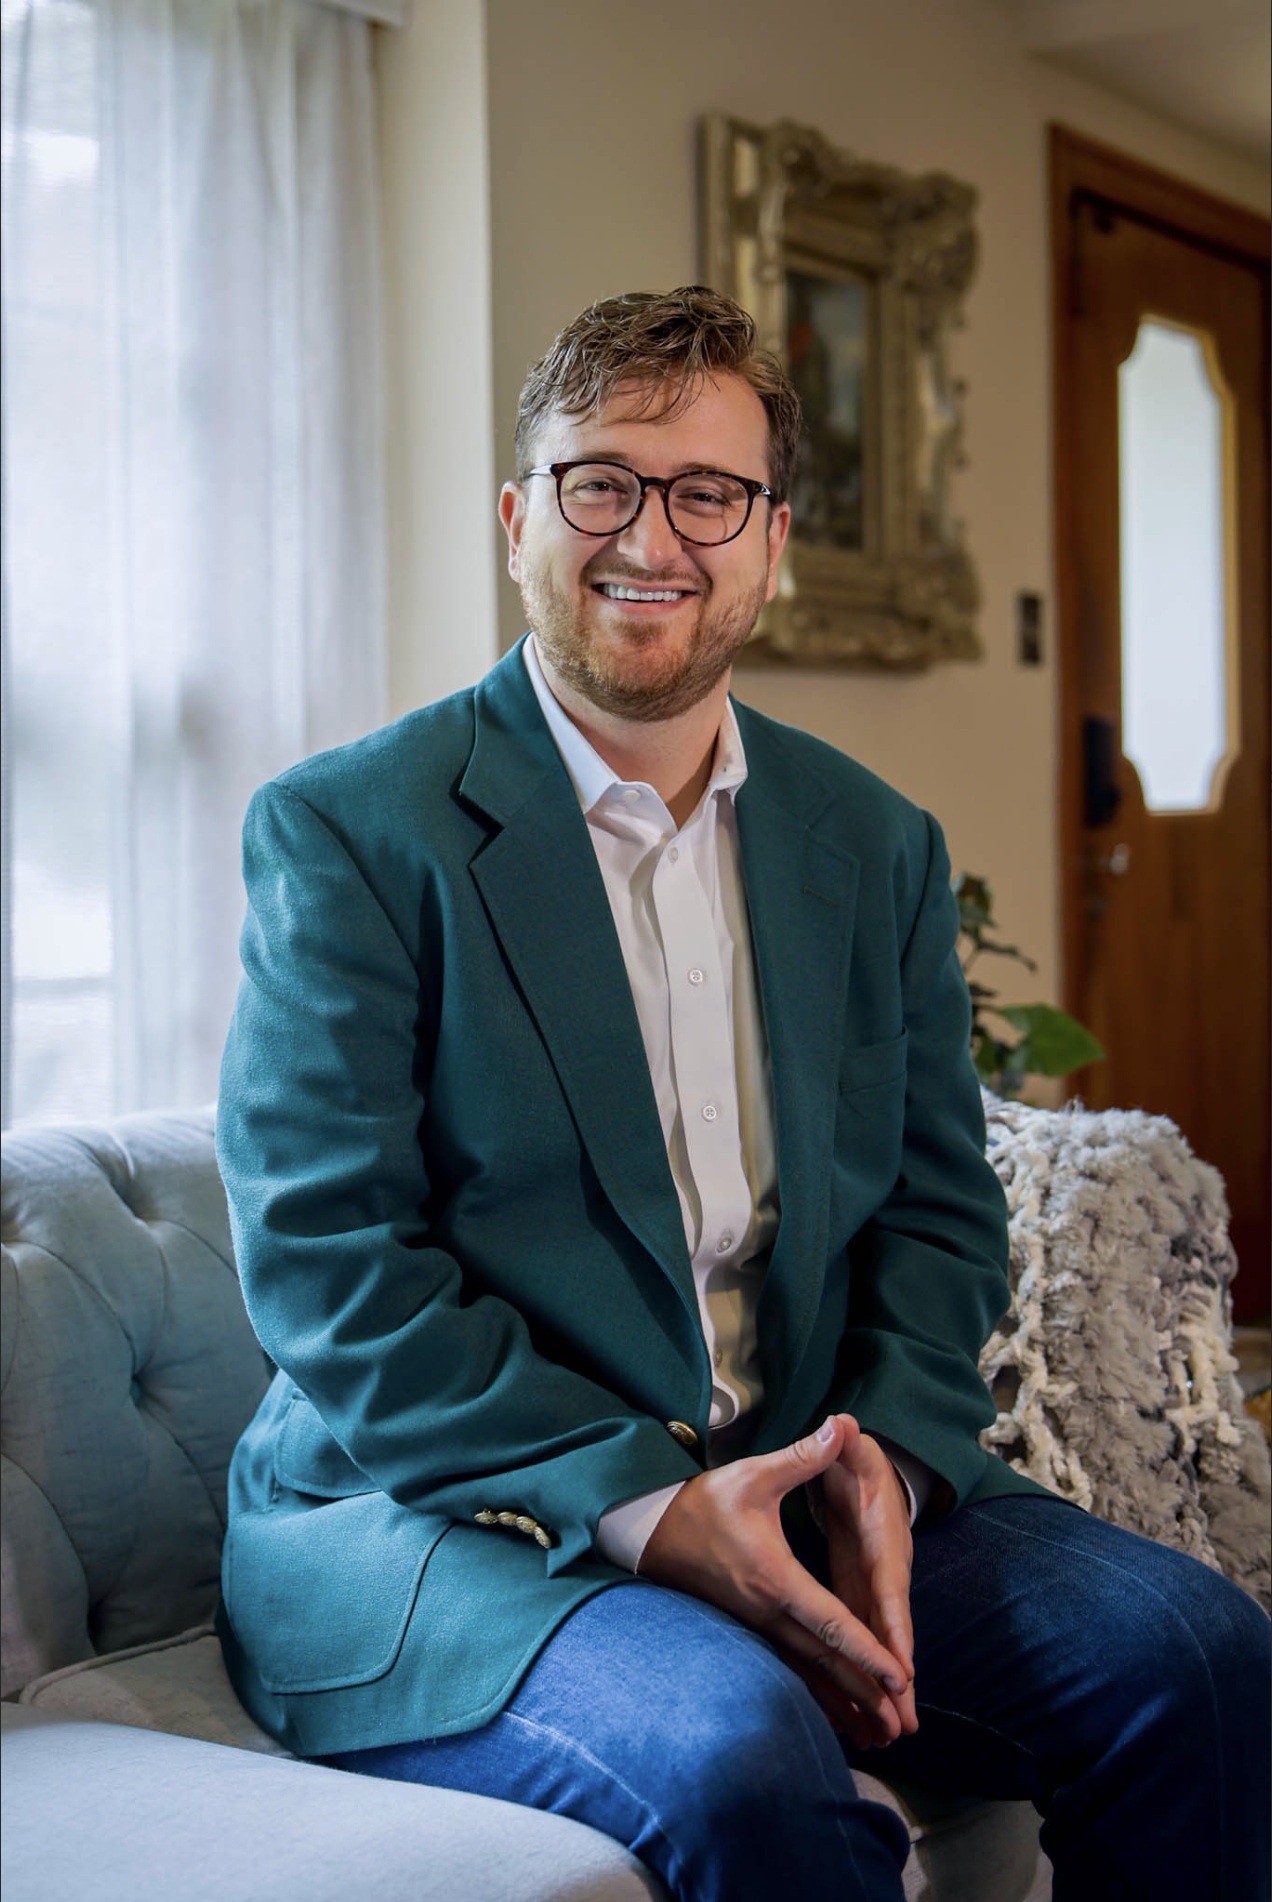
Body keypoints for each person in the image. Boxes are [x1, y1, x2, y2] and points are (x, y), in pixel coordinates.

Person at [216, 286, 1269, 1902]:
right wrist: (653, 1504)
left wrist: (894, 1474)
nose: (655, 533)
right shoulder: (354, 833)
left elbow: (933, 1210)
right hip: (456, 1522)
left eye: (708, 491)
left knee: (1199, 1654)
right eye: (601, 481)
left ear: (771, 540)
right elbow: (335, 1275)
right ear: (520, 521)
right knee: (747, 1749)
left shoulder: (877, 843)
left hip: (799, 1472)